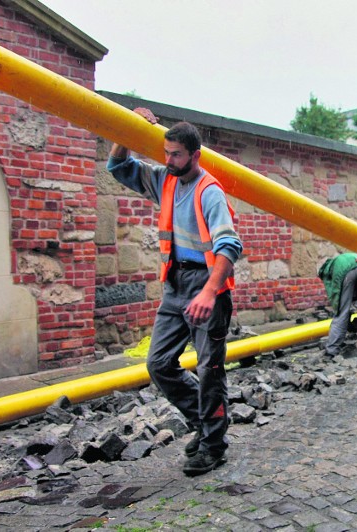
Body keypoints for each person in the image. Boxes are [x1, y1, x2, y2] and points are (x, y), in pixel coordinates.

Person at [107, 108, 243, 477]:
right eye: (166, 153)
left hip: (207, 287)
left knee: (209, 368)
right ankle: (203, 423)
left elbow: (230, 246)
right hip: (175, 285)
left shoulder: (209, 191)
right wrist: (126, 127)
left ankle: (214, 446)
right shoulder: (164, 180)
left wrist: (209, 293)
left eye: (176, 155)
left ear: (195, 155)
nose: (168, 160)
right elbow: (118, 167)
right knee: (158, 364)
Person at [318, 253, 357, 356]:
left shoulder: (332, 269)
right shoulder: (343, 259)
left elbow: (336, 292)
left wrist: (338, 306)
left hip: (348, 273)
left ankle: (332, 350)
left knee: (342, 312)